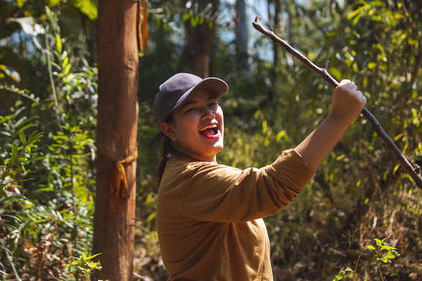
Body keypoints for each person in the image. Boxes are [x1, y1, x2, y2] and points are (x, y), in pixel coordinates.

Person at [152, 72, 367, 280]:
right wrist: (338, 118)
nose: (208, 113)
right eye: (192, 108)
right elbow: (273, 186)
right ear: (170, 131)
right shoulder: (186, 179)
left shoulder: (202, 175)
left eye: (212, 104)